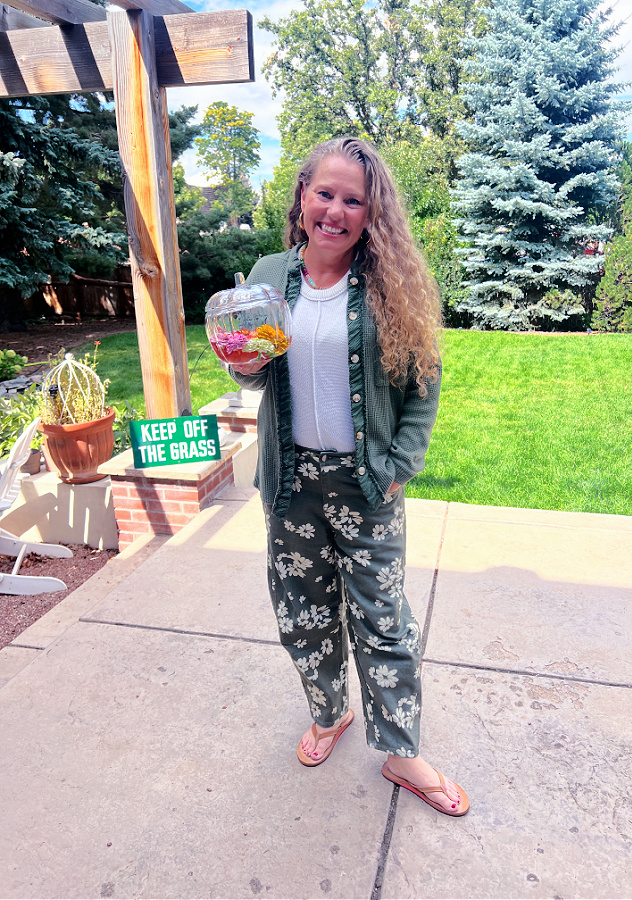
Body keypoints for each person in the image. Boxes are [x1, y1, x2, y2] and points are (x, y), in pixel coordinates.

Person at [227, 137, 469, 817]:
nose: (335, 210)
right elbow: (251, 367)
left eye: (352, 199)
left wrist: (400, 465)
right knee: (303, 612)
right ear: (302, 197)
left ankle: (400, 749)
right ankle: (329, 712)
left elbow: (424, 377)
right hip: (291, 482)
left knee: (382, 621)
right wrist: (239, 360)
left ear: (371, 212)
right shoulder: (269, 270)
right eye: (324, 193)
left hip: (367, 485)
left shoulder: (390, 281)